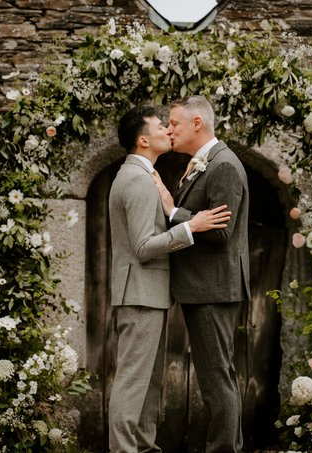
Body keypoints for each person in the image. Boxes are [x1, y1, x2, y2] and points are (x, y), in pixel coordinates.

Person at [108, 105, 231, 453]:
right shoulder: (136, 179)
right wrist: (190, 227)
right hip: (139, 294)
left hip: (148, 294)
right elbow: (143, 247)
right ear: (144, 140)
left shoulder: (144, 175)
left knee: (148, 383)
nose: (168, 129)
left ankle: (145, 447)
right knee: (133, 381)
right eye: (160, 126)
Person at [155, 95, 250, 453]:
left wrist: (173, 211)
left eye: (174, 123)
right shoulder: (203, 162)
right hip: (204, 289)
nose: (169, 130)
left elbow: (220, 234)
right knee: (217, 376)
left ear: (197, 123)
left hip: (213, 289)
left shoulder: (223, 165)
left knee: (216, 379)